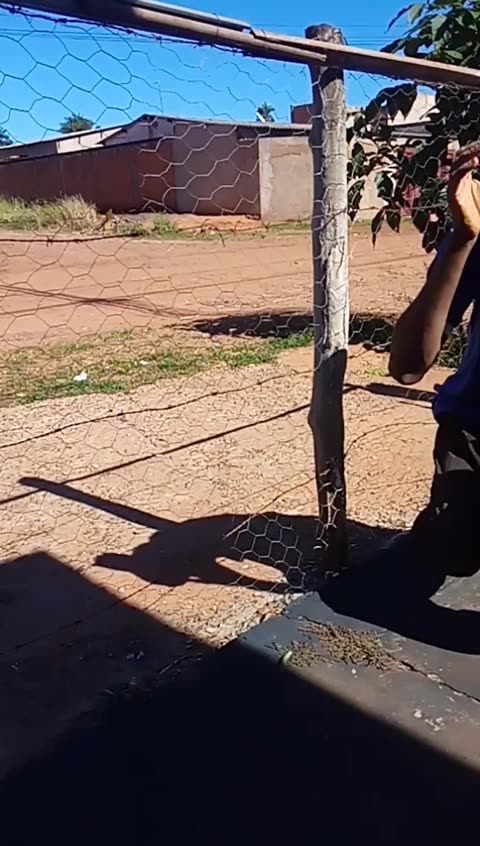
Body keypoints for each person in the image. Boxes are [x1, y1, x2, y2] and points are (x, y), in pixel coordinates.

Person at [389, 143, 480, 576]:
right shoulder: (477, 232)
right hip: (475, 431)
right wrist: (463, 240)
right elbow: (407, 367)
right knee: (453, 552)